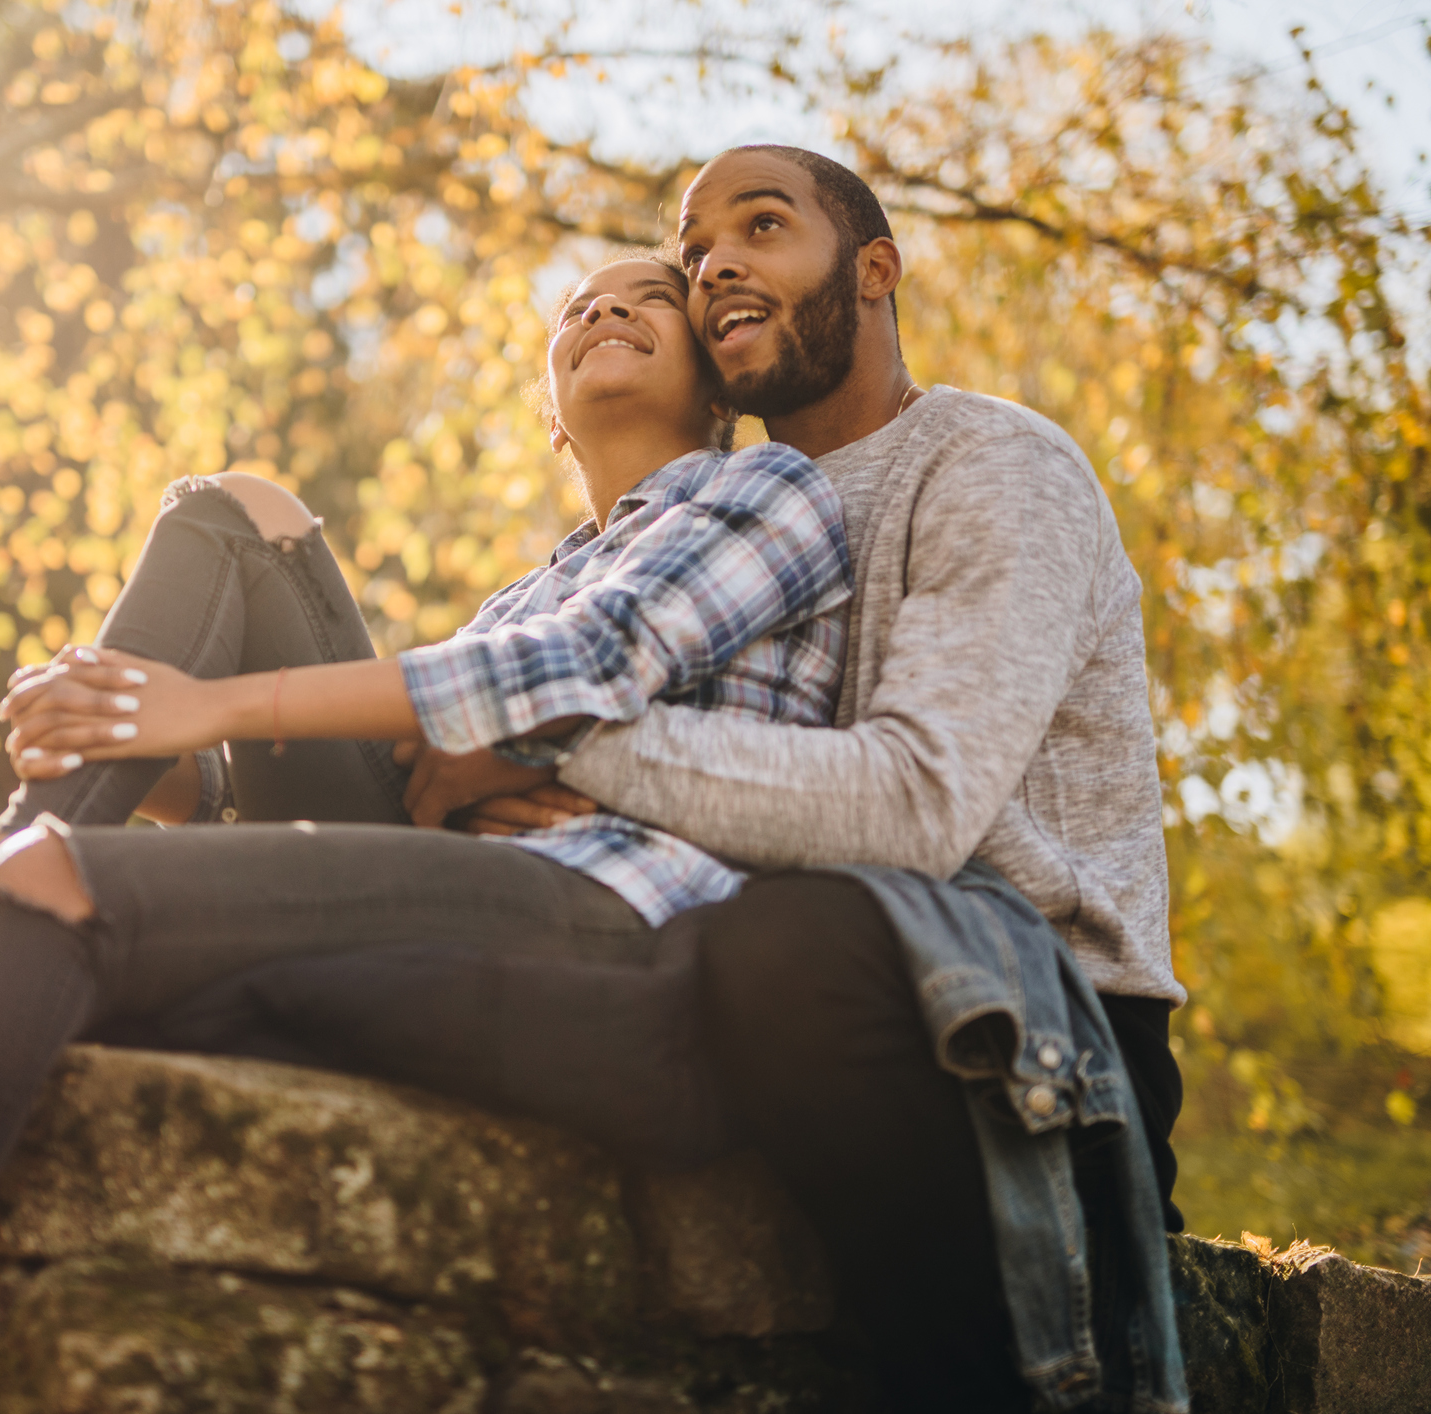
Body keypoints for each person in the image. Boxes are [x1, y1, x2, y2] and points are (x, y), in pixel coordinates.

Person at [0, 251, 859, 1414]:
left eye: (647, 300)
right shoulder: (517, 595)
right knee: (237, 511)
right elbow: (402, 754)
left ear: (714, 379)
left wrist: (231, 706)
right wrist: (155, 748)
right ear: (550, 413)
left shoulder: (759, 491)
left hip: (614, 906)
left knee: (54, 885)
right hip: (457, 880)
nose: (601, 313)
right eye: (577, 309)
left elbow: (584, 666)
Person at [399, 146, 1190, 1410]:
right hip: (781, 954)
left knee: (779, 944)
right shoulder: (721, 513)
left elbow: (916, 808)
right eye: (698, 244)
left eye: (762, 228)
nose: (716, 264)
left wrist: (546, 740)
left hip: (1032, 1014)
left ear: (874, 271)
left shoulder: (993, 464)